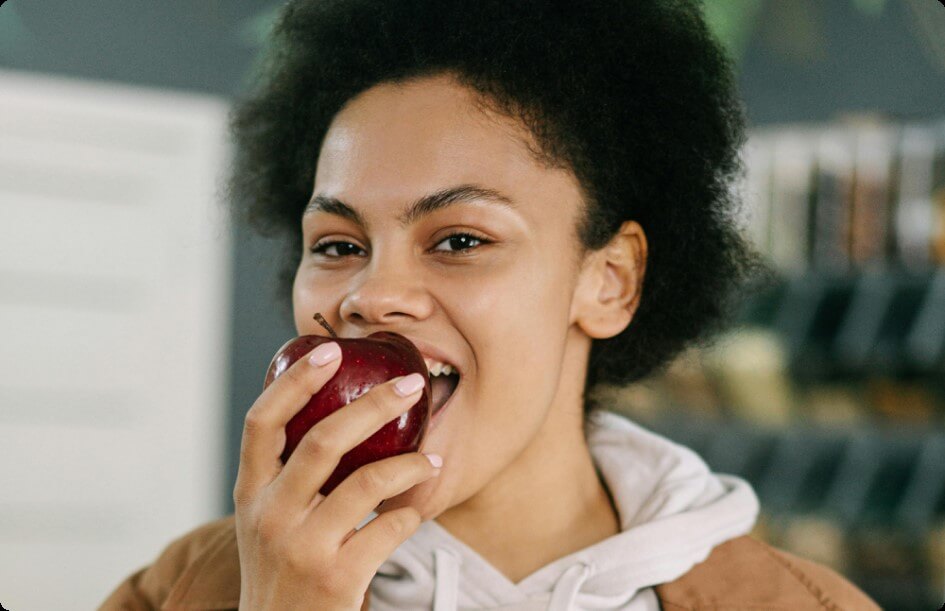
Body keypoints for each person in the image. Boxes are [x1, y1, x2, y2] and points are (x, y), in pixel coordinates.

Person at [101, 0, 880, 609]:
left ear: (608, 280)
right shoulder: (173, 593)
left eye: (461, 240)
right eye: (337, 245)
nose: (371, 296)